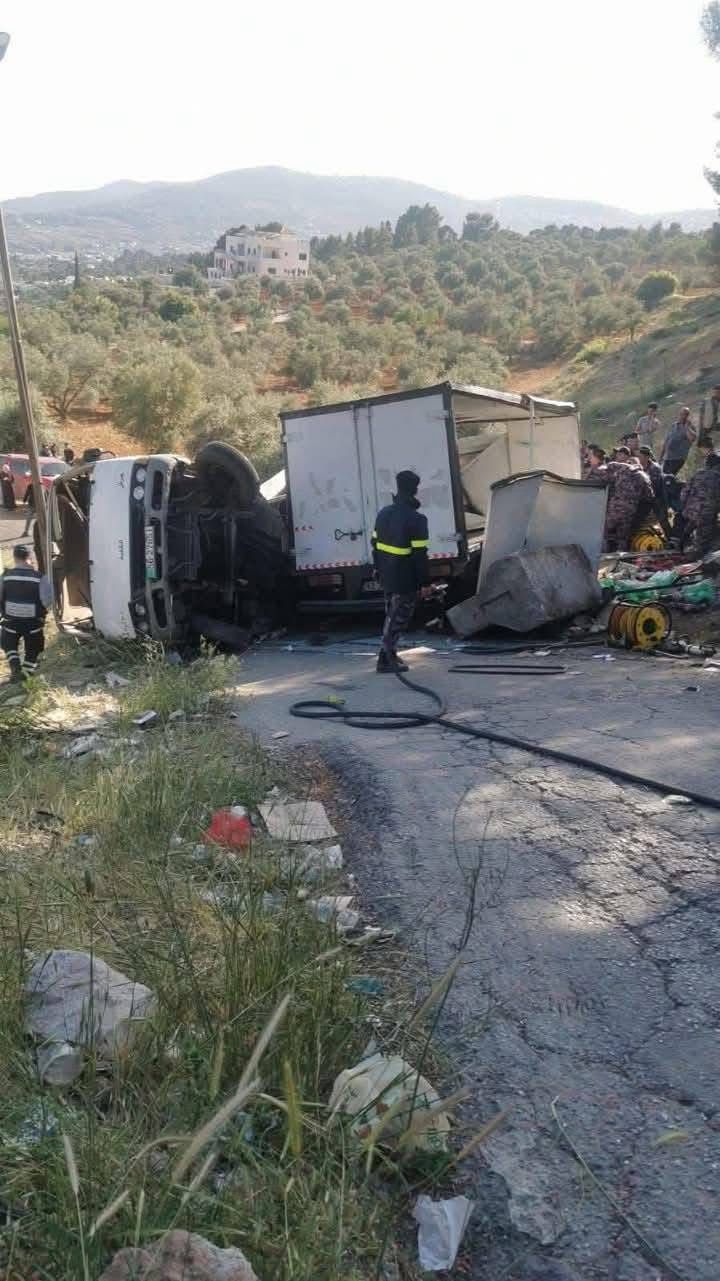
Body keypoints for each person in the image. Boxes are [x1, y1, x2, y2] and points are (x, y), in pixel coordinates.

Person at [372, 469, 431, 673]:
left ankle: (389, 654)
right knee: (398, 619)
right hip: (405, 579)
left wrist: (377, 569)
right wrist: (425, 583)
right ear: (415, 490)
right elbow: (419, 555)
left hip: (386, 575)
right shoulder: (417, 519)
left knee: (391, 616)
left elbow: (375, 545)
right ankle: (385, 659)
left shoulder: (383, 514)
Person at [0, 544, 52, 682]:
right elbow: (47, 601)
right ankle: (27, 672)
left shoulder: (5, 576)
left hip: (10, 622)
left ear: (14, 557)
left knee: (8, 643)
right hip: (33, 623)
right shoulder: (40, 577)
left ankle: (15, 666)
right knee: (34, 647)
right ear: (30, 557)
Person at [602, 446, 654, 551]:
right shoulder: (644, 476)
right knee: (623, 536)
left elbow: (607, 474)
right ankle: (621, 554)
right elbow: (650, 496)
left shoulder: (622, 470)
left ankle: (603, 551)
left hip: (615, 508)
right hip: (629, 510)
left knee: (605, 532)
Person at [673, 452, 720, 556]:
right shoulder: (717, 477)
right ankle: (696, 556)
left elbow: (685, 492)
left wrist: (684, 506)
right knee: (703, 538)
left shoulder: (698, 474)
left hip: (691, 510)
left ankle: (681, 543)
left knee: (693, 523)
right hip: (707, 513)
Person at [637, 446, 671, 537]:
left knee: (663, 520)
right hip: (646, 498)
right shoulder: (639, 467)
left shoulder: (654, 468)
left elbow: (654, 487)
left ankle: (671, 539)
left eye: (640, 456)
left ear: (646, 457)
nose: (639, 458)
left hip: (657, 498)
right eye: (638, 456)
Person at [659, 407, 696, 475]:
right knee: (664, 477)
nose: (683, 416)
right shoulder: (673, 425)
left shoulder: (690, 427)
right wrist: (661, 457)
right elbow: (666, 441)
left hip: (678, 458)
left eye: (685, 414)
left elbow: (692, 439)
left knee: (669, 476)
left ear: (688, 416)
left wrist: (686, 427)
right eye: (681, 414)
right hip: (668, 457)